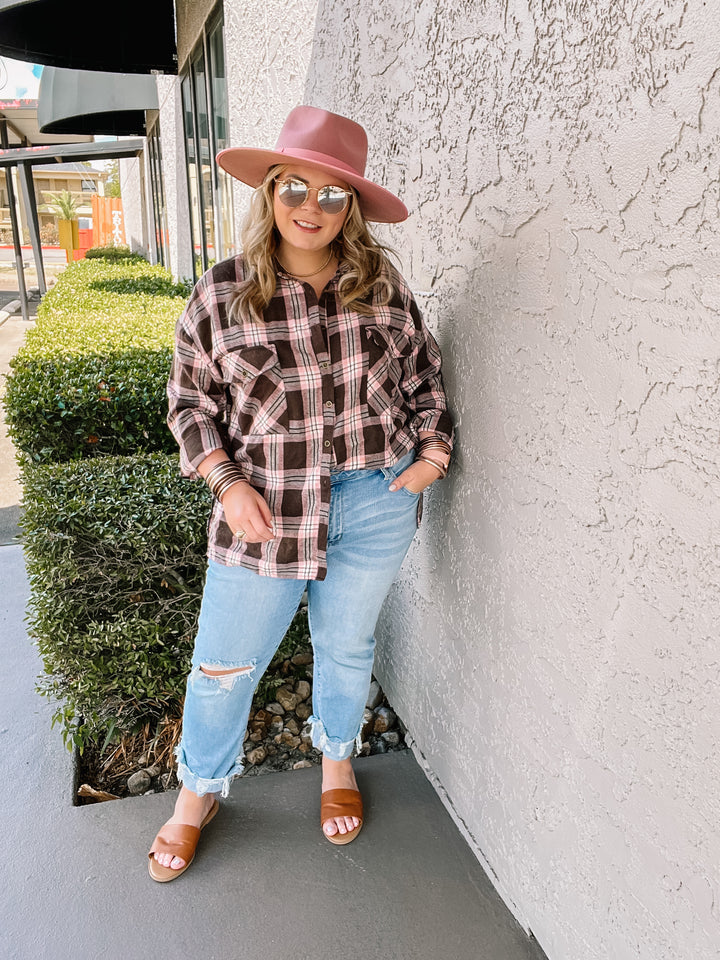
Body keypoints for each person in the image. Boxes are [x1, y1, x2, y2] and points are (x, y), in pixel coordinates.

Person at [148, 105, 454, 881]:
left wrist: (429, 457)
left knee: (346, 645)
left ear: (350, 206)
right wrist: (223, 481)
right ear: (270, 191)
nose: (309, 208)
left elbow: (424, 378)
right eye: (295, 187)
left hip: (378, 500)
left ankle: (337, 762)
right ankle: (198, 793)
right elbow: (189, 404)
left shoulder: (382, 285)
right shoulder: (221, 295)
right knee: (223, 664)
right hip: (265, 511)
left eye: (331, 195)